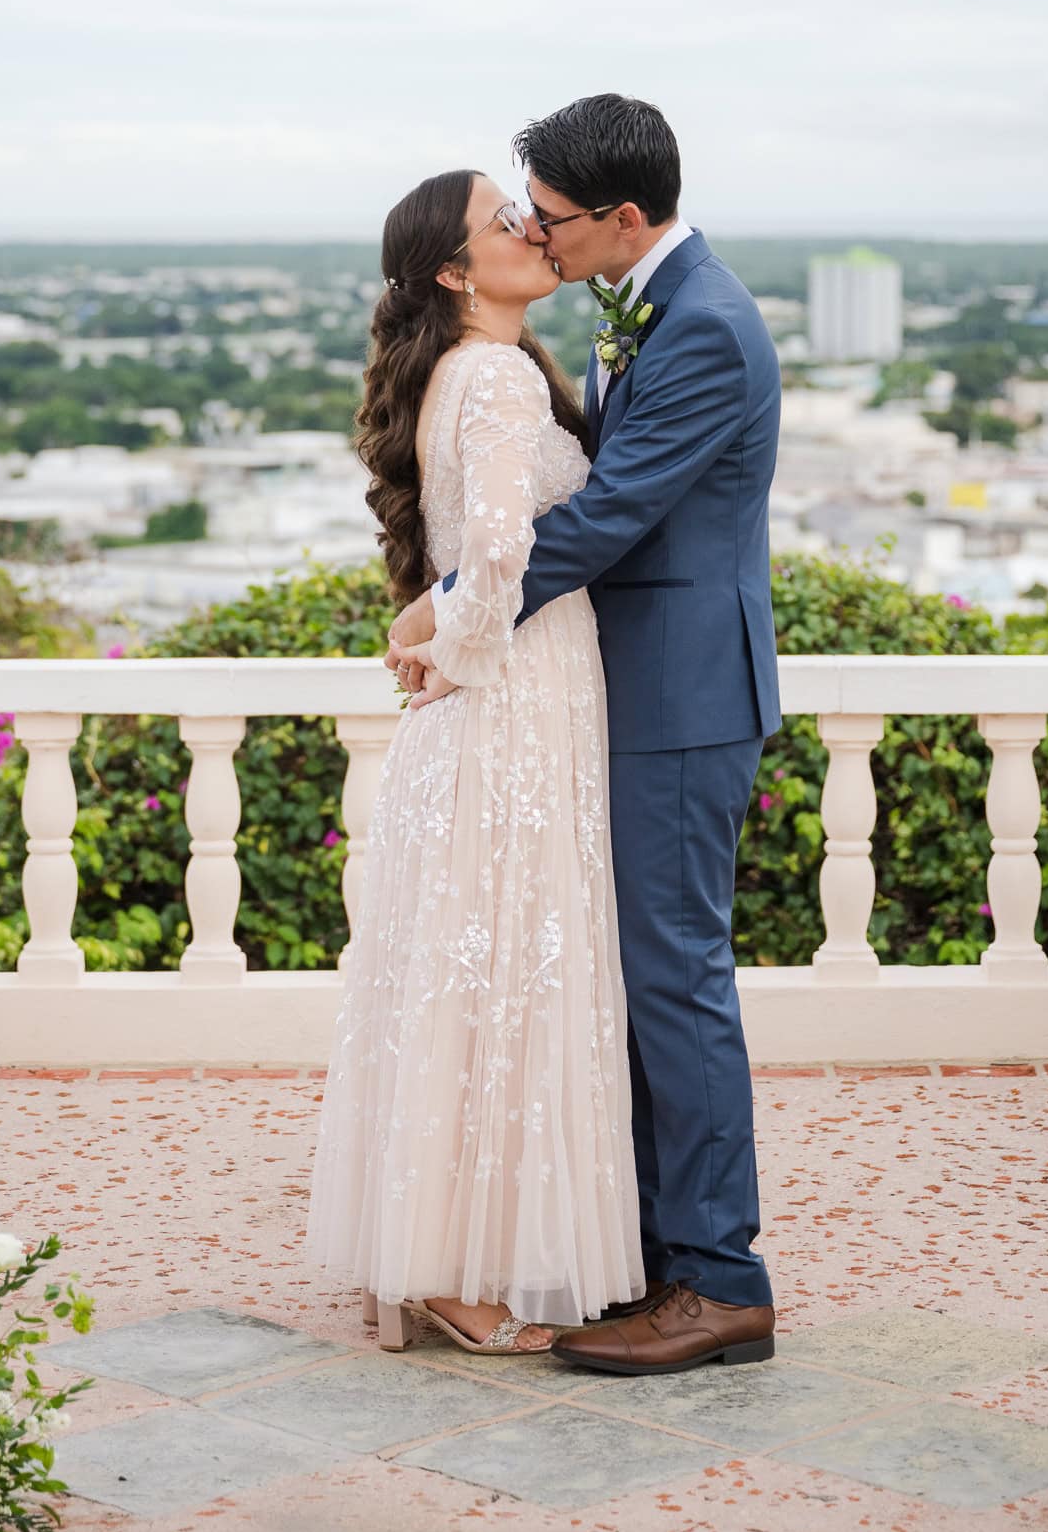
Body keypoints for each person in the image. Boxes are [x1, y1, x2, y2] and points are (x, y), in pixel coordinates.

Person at [388, 94, 782, 1377]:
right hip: (627, 690)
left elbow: (604, 516)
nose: (537, 237)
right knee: (639, 985)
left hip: (679, 696)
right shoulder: (646, 309)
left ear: (621, 218)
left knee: (675, 980)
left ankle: (720, 1282)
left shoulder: (706, 326)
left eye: (550, 218)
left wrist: (449, 614)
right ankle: (671, 1259)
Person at [304, 167, 644, 1356]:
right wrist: (457, 650)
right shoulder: (497, 375)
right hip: (514, 698)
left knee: (473, 972)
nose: (528, 227)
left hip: (498, 699)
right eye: (502, 218)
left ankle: (432, 1254)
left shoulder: (466, 373)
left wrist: (438, 633)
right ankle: (456, 1271)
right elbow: (501, 550)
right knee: (504, 972)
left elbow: (472, 551)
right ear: (455, 272)